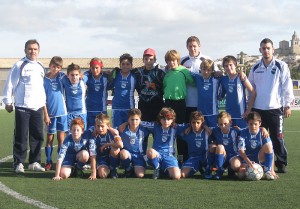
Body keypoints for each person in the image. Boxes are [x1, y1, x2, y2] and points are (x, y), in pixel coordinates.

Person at [248, 38, 294, 173]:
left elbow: (287, 86)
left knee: (277, 137)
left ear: (273, 50)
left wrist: (287, 104)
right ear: (260, 50)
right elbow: (251, 88)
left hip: (275, 109)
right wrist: (249, 106)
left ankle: (281, 163)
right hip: (258, 109)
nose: (266, 50)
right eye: (263, 48)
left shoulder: (281, 66)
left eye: (268, 48)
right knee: (258, 137)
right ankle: (259, 162)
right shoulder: (255, 67)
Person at [2, 39, 46, 173]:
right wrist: (7, 102)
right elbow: (10, 84)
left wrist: (43, 104)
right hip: (22, 106)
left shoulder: (41, 66)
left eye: (35, 49)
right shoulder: (19, 65)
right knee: (21, 136)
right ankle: (18, 163)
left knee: (38, 136)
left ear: (39, 51)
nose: (32, 51)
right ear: (25, 50)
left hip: (37, 107)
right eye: (30, 49)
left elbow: (41, 88)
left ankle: (34, 162)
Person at [163, 49, 195, 164]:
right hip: (168, 104)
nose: (172, 63)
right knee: (168, 130)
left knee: (180, 131)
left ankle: (182, 158)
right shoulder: (167, 73)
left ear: (178, 60)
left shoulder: (183, 71)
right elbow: (164, 87)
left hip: (180, 103)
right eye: (169, 61)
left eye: (174, 60)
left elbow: (193, 82)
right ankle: (167, 157)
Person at [180, 36, 220, 122]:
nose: (192, 48)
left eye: (194, 46)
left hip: (202, 104)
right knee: (189, 128)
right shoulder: (182, 61)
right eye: (190, 46)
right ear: (187, 47)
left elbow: (217, 74)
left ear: (199, 46)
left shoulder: (207, 59)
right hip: (187, 101)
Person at [43, 56, 68, 171]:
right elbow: (42, 99)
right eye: (54, 66)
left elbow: (73, 76)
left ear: (61, 68)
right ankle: (48, 161)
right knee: (49, 139)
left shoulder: (62, 77)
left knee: (61, 139)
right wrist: (46, 114)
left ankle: (60, 160)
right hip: (50, 114)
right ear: (50, 66)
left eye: (58, 67)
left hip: (62, 113)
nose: (55, 69)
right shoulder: (44, 79)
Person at [237, 112, 278, 180]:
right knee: (241, 175)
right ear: (247, 123)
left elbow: (270, 151)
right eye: (251, 124)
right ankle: (254, 169)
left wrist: (272, 170)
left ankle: (267, 171)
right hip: (247, 159)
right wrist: (249, 162)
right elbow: (241, 150)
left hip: (259, 158)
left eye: (255, 124)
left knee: (269, 145)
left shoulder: (263, 133)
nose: (253, 126)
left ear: (260, 123)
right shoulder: (243, 133)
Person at [143, 107, 181, 180]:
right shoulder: (155, 126)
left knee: (176, 176)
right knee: (150, 151)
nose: (166, 121)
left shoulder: (176, 128)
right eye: (164, 119)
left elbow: (191, 125)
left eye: (168, 119)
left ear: (172, 120)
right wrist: (126, 123)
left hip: (169, 156)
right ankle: (157, 169)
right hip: (156, 155)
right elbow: (139, 122)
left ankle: (163, 170)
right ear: (160, 119)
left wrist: (203, 126)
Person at [221, 55, 256, 128]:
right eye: (226, 66)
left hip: (241, 115)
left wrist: (249, 109)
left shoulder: (241, 77)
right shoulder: (223, 79)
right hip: (228, 116)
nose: (228, 67)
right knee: (230, 138)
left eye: (230, 65)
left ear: (235, 65)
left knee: (242, 138)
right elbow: (220, 96)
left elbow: (253, 92)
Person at [132, 48, 165, 122]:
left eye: (151, 59)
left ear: (155, 60)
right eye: (146, 59)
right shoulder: (137, 72)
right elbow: (125, 71)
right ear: (143, 60)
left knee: (157, 131)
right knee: (143, 131)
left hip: (157, 107)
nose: (148, 61)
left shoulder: (160, 73)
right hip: (143, 107)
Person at [87, 113, 123, 180]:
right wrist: (93, 173)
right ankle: (99, 169)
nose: (100, 129)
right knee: (103, 175)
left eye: (102, 126)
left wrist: (107, 144)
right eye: (98, 126)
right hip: (101, 159)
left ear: (107, 126)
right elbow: (93, 154)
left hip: (111, 157)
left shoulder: (113, 133)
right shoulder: (93, 136)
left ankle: (113, 169)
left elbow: (120, 145)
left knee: (116, 149)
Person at [180, 111, 213, 179]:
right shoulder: (187, 132)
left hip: (205, 158)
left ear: (202, 123)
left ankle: (208, 168)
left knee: (213, 147)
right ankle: (200, 168)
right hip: (193, 158)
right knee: (182, 174)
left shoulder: (207, 132)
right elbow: (176, 129)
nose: (195, 125)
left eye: (198, 122)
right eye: (193, 123)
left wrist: (205, 126)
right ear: (190, 123)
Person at [210, 111, 241, 180]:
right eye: (220, 124)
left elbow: (249, 131)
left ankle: (231, 169)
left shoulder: (235, 131)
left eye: (225, 123)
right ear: (217, 124)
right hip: (223, 155)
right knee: (219, 147)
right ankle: (219, 172)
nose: (223, 126)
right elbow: (204, 129)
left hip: (233, 155)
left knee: (236, 166)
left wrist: (263, 129)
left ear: (230, 122)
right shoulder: (215, 131)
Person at [119, 109, 150, 178]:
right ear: (128, 120)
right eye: (132, 119)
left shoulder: (144, 129)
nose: (134, 121)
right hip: (128, 154)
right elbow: (113, 131)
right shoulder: (123, 129)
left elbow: (157, 126)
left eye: (136, 119)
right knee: (123, 153)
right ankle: (128, 169)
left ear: (140, 120)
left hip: (139, 156)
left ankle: (135, 167)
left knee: (140, 175)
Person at [191, 59, 221, 127]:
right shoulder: (198, 77)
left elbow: (227, 75)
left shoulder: (216, 79)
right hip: (200, 114)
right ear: (200, 69)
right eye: (204, 69)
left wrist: (220, 72)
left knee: (213, 133)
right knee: (202, 133)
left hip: (213, 113)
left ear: (212, 71)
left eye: (209, 70)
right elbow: (187, 71)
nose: (206, 72)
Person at [110, 53, 137, 128]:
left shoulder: (134, 77)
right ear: (120, 65)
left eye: (128, 64)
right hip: (117, 108)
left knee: (129, 131)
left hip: (129, 108)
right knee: (116, 131)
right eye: (123, 64)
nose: (125, 66)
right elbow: (108, 85)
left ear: (131, 65)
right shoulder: (115, 75)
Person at [84, 57, 109, 129]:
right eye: (92, 68)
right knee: (90, 131)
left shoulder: (106, 78)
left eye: (97, 68)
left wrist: (105, 72)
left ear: (101, 67)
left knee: (102, 130)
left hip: (102, 110)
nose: (95, 70)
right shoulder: (88, 77)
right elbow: (83, 75)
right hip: (90, 109)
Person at [61, 63, 87, 131]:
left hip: (81, 113)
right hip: (69, 114)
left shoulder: (83, 80)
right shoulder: (65, 80)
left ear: (79, 75)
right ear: (68, 75)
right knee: (70, 135)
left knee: (82, 135)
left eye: (76, 75)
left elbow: (89, 73)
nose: (74, 77)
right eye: (72, 75)